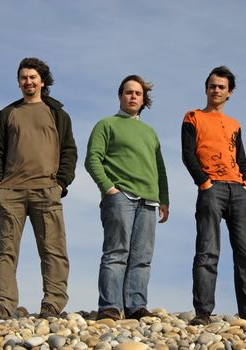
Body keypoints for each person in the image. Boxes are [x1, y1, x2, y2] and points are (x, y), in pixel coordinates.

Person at [0, 57, 77, 319]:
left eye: (33, 77)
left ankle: (52, 304)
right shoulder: (8, 113)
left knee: (53, 249)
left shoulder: (57, 114)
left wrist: (61, 183)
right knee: (6, 250)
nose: (28, 81)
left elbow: (69, 150)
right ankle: (3, 304)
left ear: (42, 81)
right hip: (11, 192)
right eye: (24, 77)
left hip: (46, 190)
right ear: (19, 82)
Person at [181, 66, 246, 325]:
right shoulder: (192, 117)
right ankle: (203, 312)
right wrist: (204, 182)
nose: (216, 90)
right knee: (208, 250)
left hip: (238, 191)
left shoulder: (234, 124)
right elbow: (188, 154)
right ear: (206, 88)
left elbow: (241, 156)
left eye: (221, 87)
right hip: (212, 189)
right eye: (212, 85)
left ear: (229, 92)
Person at [85, 75, 169, 321]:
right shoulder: (106, 124)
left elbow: (160, 168)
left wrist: (164, 199)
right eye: (128, 92)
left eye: (138, 93)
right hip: (120, 197)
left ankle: (135, 305)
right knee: (116, 252)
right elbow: (93, 159)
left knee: (142, 257)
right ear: (120, 96)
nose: (133, 96)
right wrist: (109, 188)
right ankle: (110, 306)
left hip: (149, 201)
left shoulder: (150, 132)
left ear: (144, 100)